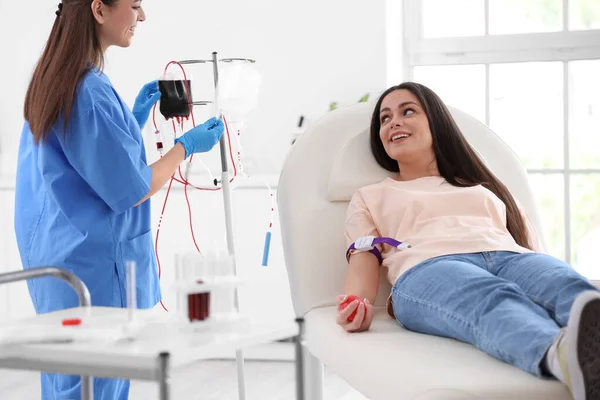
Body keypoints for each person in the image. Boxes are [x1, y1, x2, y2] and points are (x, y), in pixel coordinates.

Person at [337, 82, 600, 400]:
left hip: (509, 257)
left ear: (436, 122)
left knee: (567, 285)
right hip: (427, 268)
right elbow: (363, 257)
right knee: (492, 297)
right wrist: (356, 303)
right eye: (385, 118)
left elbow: (533, 253)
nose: (394, 122)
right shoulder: (371, 195)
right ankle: (566, 360)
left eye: (408, 111)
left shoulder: (486, 188)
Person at [14, 1, 223, 399]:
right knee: (97, 385)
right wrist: (186, 146)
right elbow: (132, 187)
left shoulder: (55, 79)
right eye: (135, 5)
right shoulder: (88, 90)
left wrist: (132, 118)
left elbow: (84, 158)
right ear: (98, 9)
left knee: (67, 382)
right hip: (93, 270)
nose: (141, 17)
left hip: (58, 262)